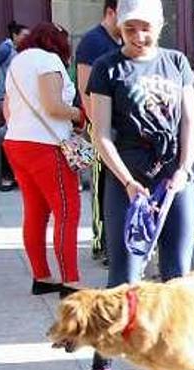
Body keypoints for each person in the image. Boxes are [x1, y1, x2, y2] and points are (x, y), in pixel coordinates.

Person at [87, 0, 194, 370]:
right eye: (130, 29)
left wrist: (185, 169)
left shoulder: (176, 62)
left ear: (159, 25)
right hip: (128, 181)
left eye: (145, 29)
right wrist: (129, 182)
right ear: (119, 25)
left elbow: (190, 120)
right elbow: (101, 134)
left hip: (173, 179)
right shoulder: (107, 67)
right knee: (125, 277)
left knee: (176, 277)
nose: (137, 37)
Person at [2, 23, 84, 296]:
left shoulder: (17, 62)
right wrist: (81, 115)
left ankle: (42, 276)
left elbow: (7, 109)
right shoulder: (48, 60)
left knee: (35, 213)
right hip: (46, 146)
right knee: (67, 211)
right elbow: (53, 106)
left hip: (17, 142)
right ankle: (70, 281)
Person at [75, 0, 121, 265]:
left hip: (119, 125)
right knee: (102, 184)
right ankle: (100, 242)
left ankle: (114, 240)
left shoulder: (120, 40)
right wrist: (99, 127)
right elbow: (85, 89)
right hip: (102, 126)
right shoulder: (93, 41)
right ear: (110, 12)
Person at [0, 22, 30, 192]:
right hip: (4, 93)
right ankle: (8, 175)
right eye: (24, 35)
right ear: (15, 35)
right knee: (9, 129)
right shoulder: (6, 48)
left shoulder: (19, 50)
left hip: (14, 93)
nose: (26, 38)